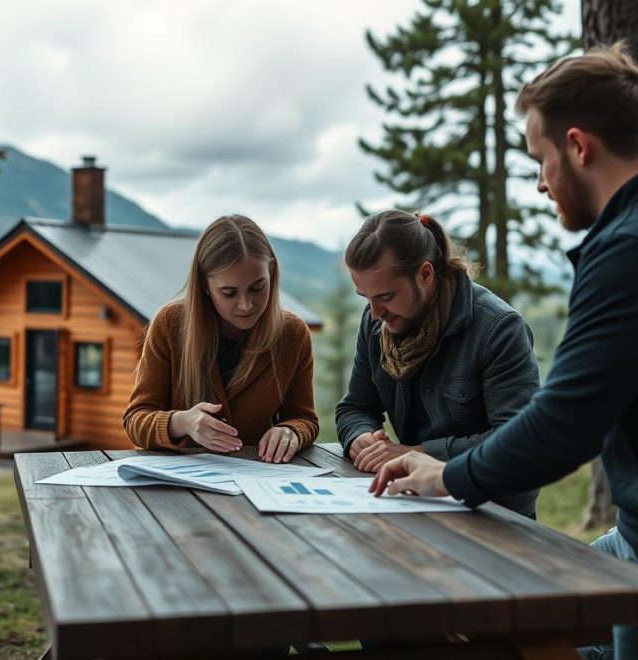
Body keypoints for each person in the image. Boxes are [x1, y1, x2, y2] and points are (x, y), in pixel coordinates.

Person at [370, 43, 638, 660]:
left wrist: (447, 476)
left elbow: (564, 424)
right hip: (629, 535)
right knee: (524, 616)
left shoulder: (623, 249)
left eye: (541, 159)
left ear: (578, 146)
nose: (541, 183)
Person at [336, 209, 540, 517]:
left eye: (386, 296)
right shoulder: (376, 322)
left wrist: (419, 454)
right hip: (416, 504)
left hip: (494, 514)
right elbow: (355, 408)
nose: (375, 313)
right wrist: (361, 437)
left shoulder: (498, 329)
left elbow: (519, 441)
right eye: (366, 298)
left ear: (426, 274)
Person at [123, 213, 319, 463]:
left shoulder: (292, 333)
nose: (246, 305)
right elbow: (135, 420)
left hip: (256, 481)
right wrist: (181, 422)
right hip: (179, 485)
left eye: (258, 287)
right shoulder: (170, 324)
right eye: (229, 292)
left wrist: (292, 431)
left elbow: (305, 419)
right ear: (204, 284)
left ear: (272, 271)